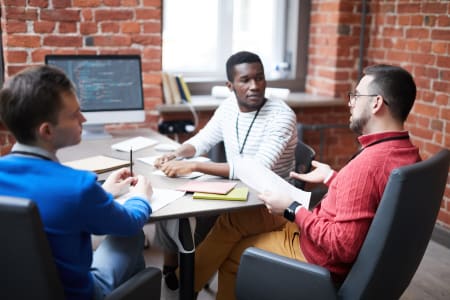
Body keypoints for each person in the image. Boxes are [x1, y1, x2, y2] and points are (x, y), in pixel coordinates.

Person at [190, 64, 421, 300]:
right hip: (319, 227)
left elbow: (341, 246)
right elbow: (375, 198)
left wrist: (292, 208)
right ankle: (185, 283)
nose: (350, 103)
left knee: (234, 256)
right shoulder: (406, 153)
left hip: (316, 255)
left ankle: (185, 287)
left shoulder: (367, 164)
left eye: (356, 96)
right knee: (236, 218)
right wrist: (333, 178)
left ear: (376, 103)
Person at [0, 65, 154, 300]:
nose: (84, 118)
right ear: (47, 131)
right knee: (131, 235)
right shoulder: (77, 187)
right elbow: (130, 222)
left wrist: (103, 193)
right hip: (79, 296)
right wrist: (140, 197)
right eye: (74, 114)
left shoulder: (77, 189)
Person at [153, 51, 298, 290]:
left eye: (259, 78)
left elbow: (257, 169)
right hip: (235, 190)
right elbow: (202, 140)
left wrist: (195, 164)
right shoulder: (229, 107)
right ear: (230, 86)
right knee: (173, 201)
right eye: (245, 80)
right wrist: (176, 154)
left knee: (220, 218)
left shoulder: (281, 116)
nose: (254, 86)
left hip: (269, 201)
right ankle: (180, 271)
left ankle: (183, 283)